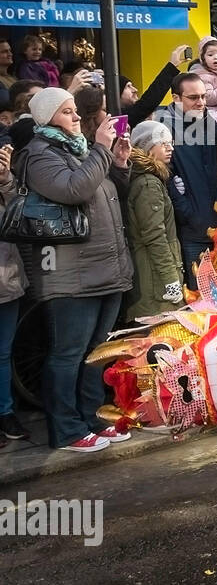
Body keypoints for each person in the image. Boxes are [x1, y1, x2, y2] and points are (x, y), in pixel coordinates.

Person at [15, 88, 133, 453]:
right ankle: (65, 430)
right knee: (68, 354)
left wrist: (119, 164)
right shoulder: (39, 155)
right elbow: (74, 190)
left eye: (74, 110)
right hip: (69, 275)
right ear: (47, 119)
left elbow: (110, 196)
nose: (76, 116)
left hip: (104, 269)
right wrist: (100, 149)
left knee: (96, 351)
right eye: (67, 112)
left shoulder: (80, 149)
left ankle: (91, 418)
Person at [159, 72, 217, 287]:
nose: (201, 103)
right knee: (199, 298)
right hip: (193, 232)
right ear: (176, 98)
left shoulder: (213, 124)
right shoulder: (164, 129)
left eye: (203, 96)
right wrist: (188, 214)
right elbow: (165, 176)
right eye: (193, 98)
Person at [125, 121, 185, 321]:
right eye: (163, 143)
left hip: (154, 274)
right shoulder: (148, 183)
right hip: (154, 279)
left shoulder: (151, 178)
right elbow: (154, 236)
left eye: (171, 142)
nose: (171, 148)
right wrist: (170, 279)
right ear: (148, 148)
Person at [0, 136, 29, 444]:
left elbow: (19, 216)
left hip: (5, 277)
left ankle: (5, 413)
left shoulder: (5, 181)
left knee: (3, 353)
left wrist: (6, 180)